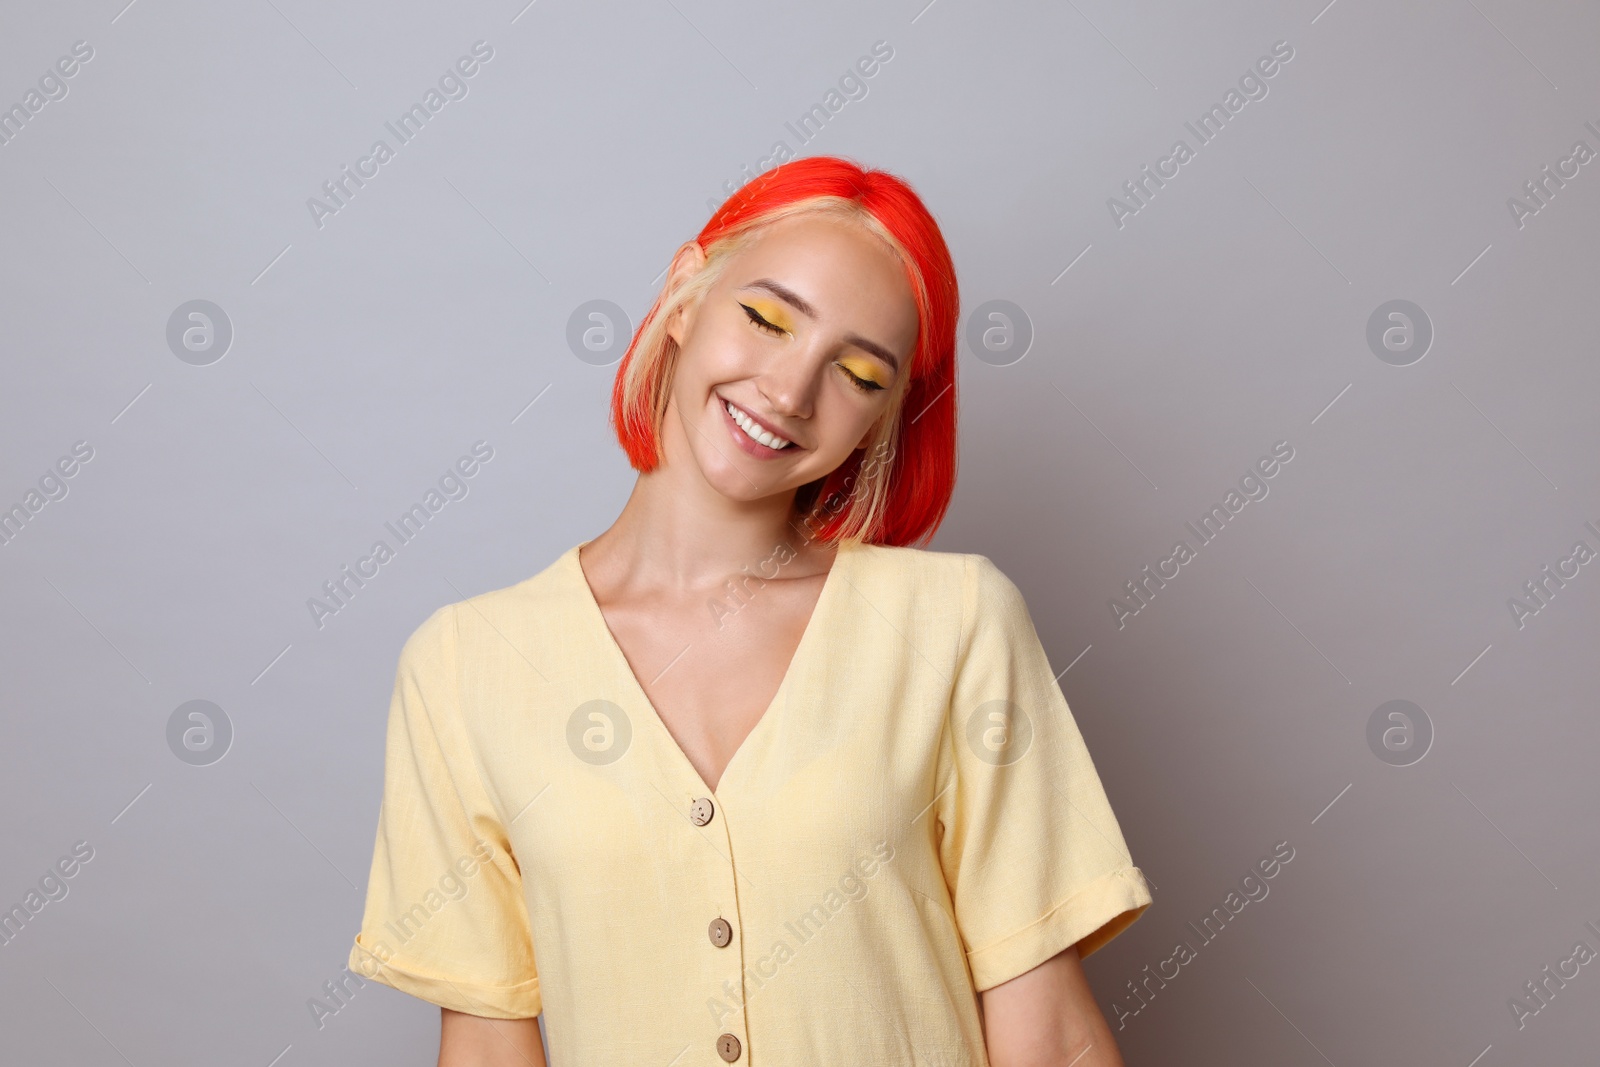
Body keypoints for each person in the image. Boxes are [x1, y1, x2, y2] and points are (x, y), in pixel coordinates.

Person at [347, 155, 1153, 1067]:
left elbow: (1048, 1032)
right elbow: (486, 1046)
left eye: (857, 374)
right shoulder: (466, 665)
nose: (788, 391)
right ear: (685, 295)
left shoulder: (956, 626)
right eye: (767, 319)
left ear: (882, 421)